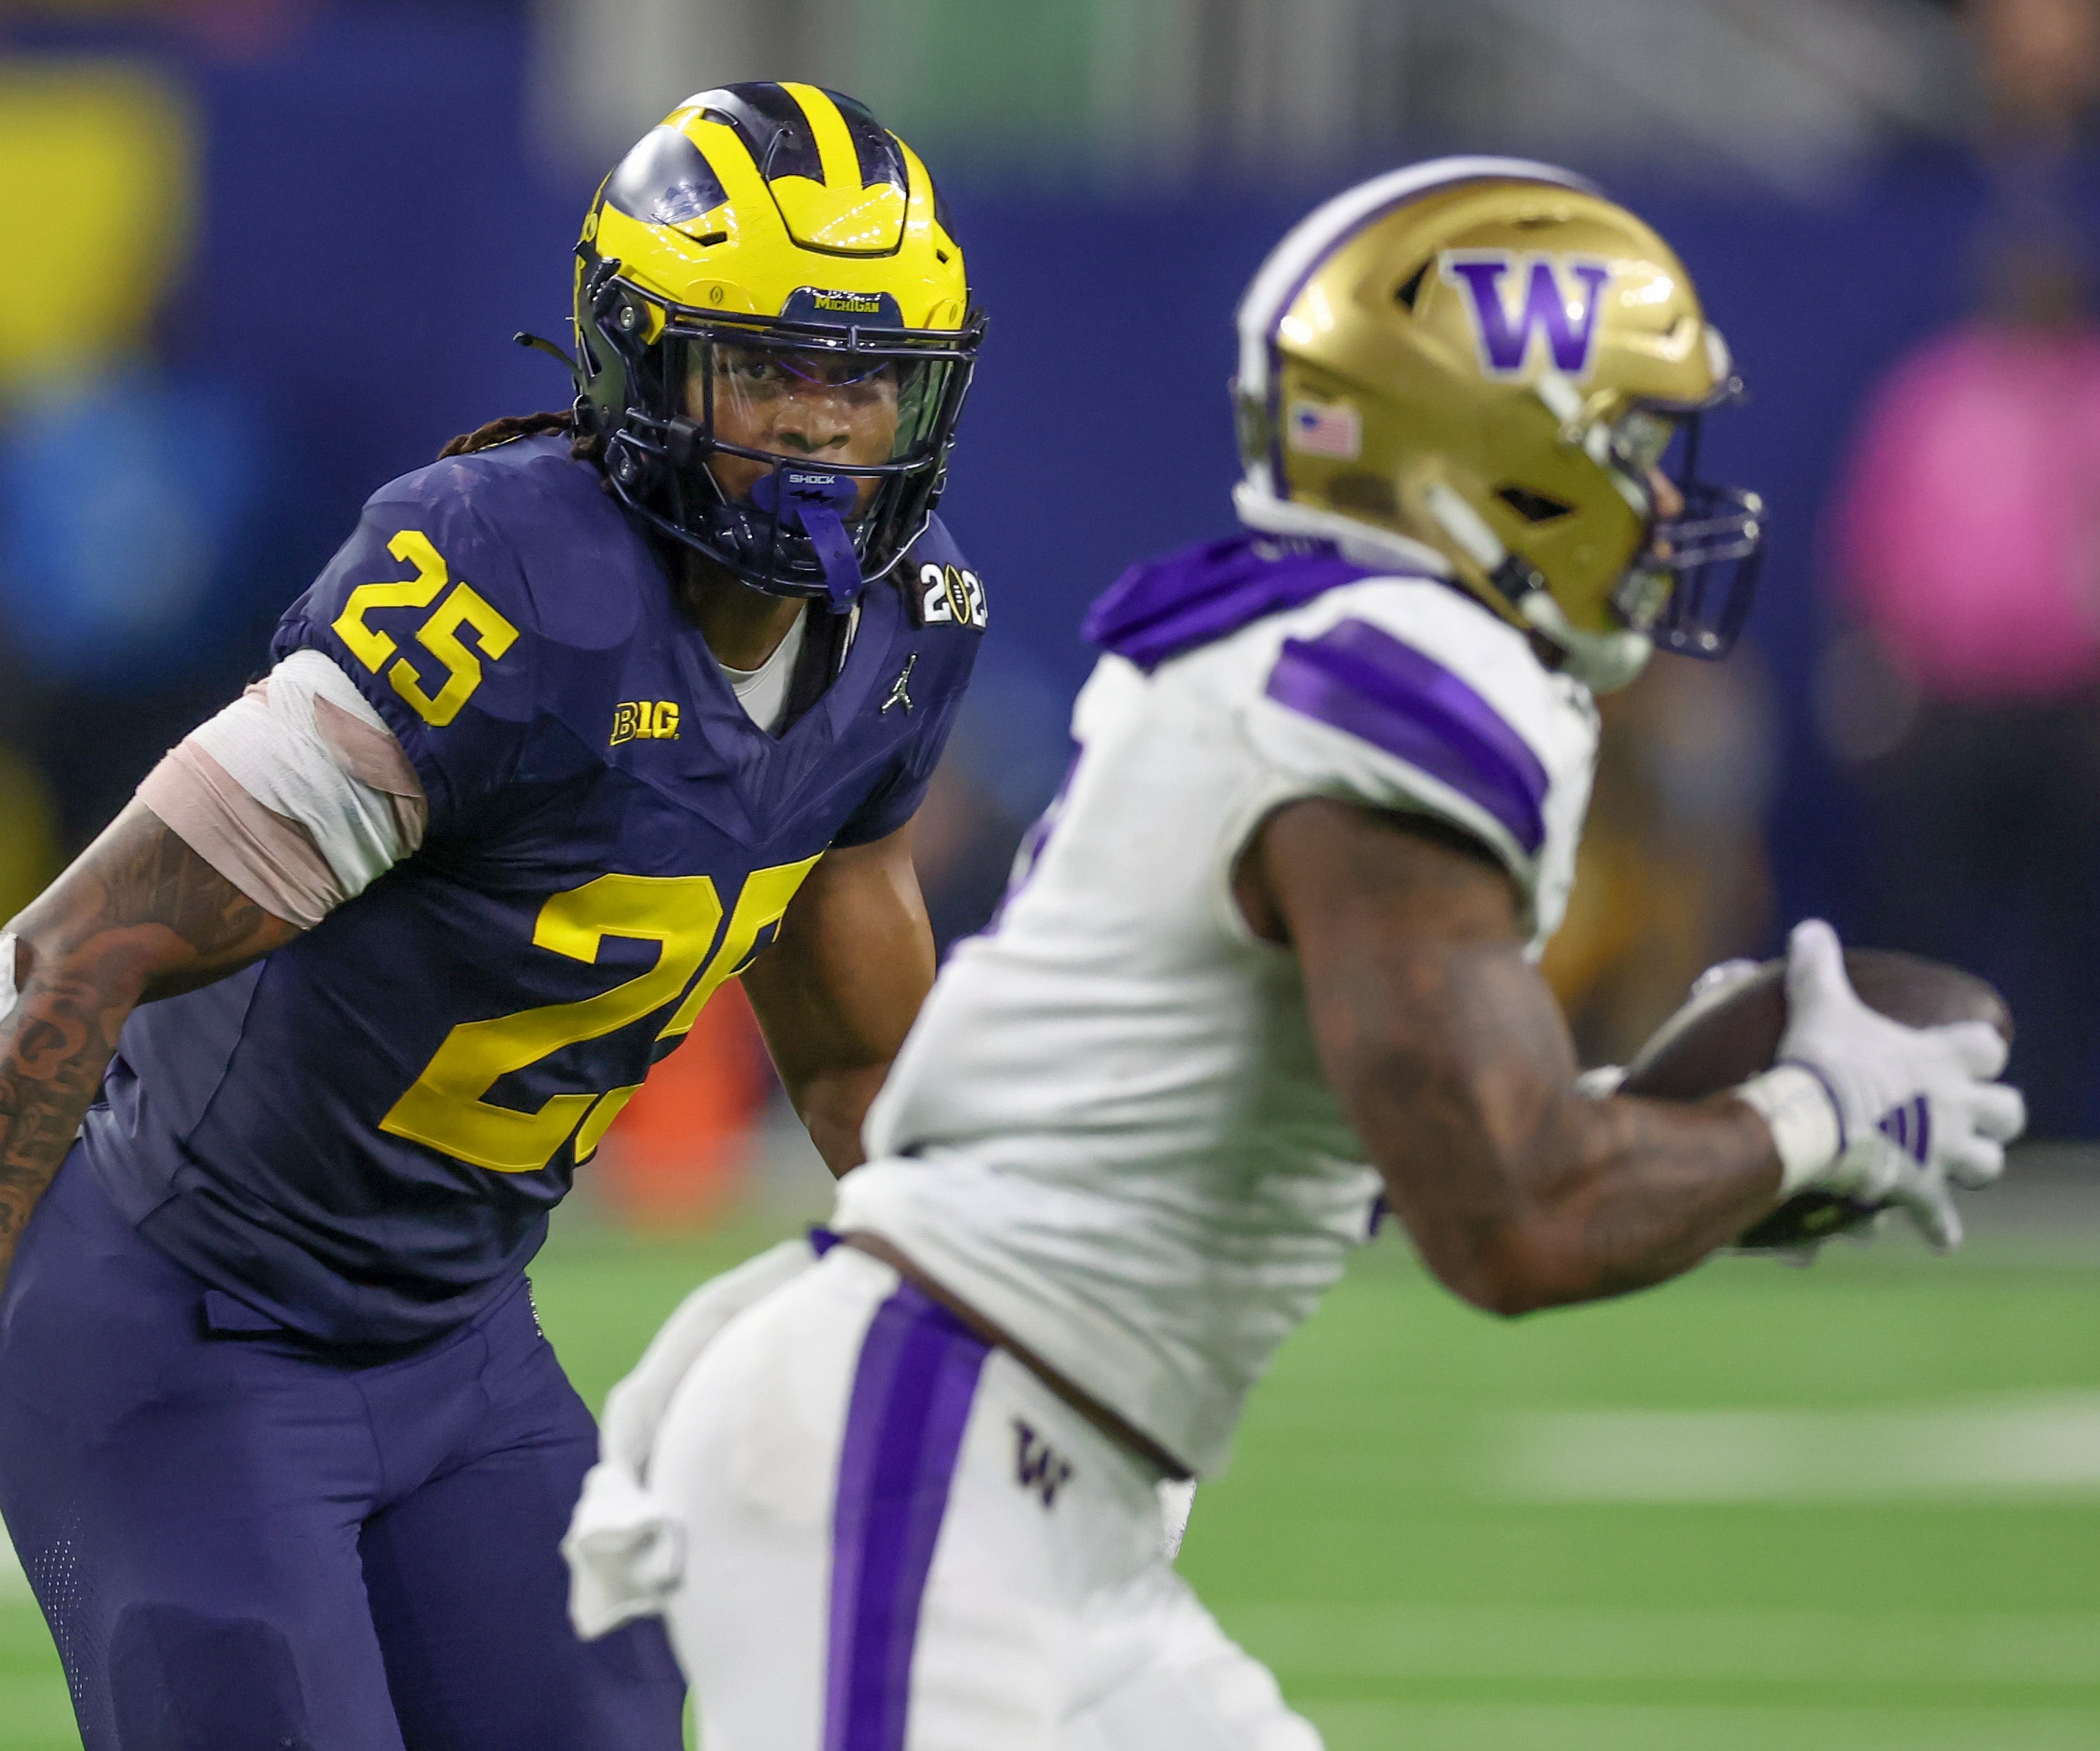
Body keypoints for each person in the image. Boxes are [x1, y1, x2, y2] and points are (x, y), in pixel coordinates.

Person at [561, 157, 2026, 1751]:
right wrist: (1814, 1111)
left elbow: (1394, 1137)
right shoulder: (1398, 684)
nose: (1667, 501)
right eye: (1633, 446)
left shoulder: (1314, 645)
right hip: (925, 1455)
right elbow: (1516, 1222)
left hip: (1048, 1489)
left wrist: (1682, 1123)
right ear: (1505, 451)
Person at [0, 83, 988, 1751]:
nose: (825, 428)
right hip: (184, 1316)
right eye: (770, 366)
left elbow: (861, 1067)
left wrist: (1018, 1360)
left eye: (865, 380)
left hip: (459, 1326)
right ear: (641, 358)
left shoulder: (904, 632)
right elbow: (72, 948)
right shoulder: (504, 594)